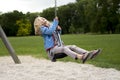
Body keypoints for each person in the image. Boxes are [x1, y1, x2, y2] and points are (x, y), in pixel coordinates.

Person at [34, 16, 101, 63]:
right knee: (64, 49)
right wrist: (55, 22)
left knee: (73, 46)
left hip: (59, 48)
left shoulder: (51, 26)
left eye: (43, 18)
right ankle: (81, 57)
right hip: (52, 51)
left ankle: (88, 54)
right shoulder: (42, 29)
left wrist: (59, 30)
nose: (43, 19)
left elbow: (57, 35)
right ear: (39, 23)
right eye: (41, 19)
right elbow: (50, 31)